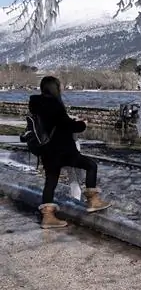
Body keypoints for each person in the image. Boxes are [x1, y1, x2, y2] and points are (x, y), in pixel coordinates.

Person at [29, 76, 111, 229]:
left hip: (47, 152)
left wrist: (68, 121)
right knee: (91, 166)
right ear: (55, 88)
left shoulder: (35, 104)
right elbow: (70, 126)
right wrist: (82, 124)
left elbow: (54, 124)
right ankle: (93, 201)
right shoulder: (55, 104)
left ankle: (47, 218)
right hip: (63, 151)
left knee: (51, 182)